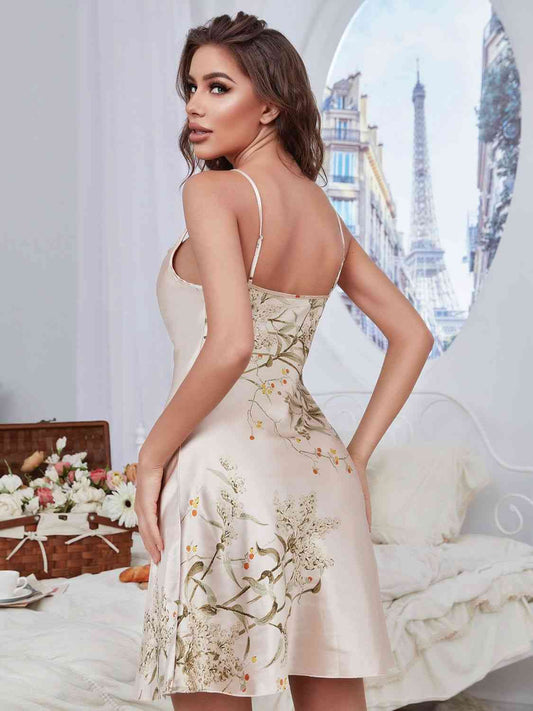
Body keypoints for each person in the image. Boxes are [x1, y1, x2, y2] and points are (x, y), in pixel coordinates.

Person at [133, 10, 434, 711]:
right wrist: (354, 459)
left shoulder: (213, 192)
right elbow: (413, 335)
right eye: (190, 88)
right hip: (319, 471)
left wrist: (151, 458)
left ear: (268, 105)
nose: (194, 106)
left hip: (221, 469)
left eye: (217, 87)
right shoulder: (325, 216)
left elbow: (230, 343)